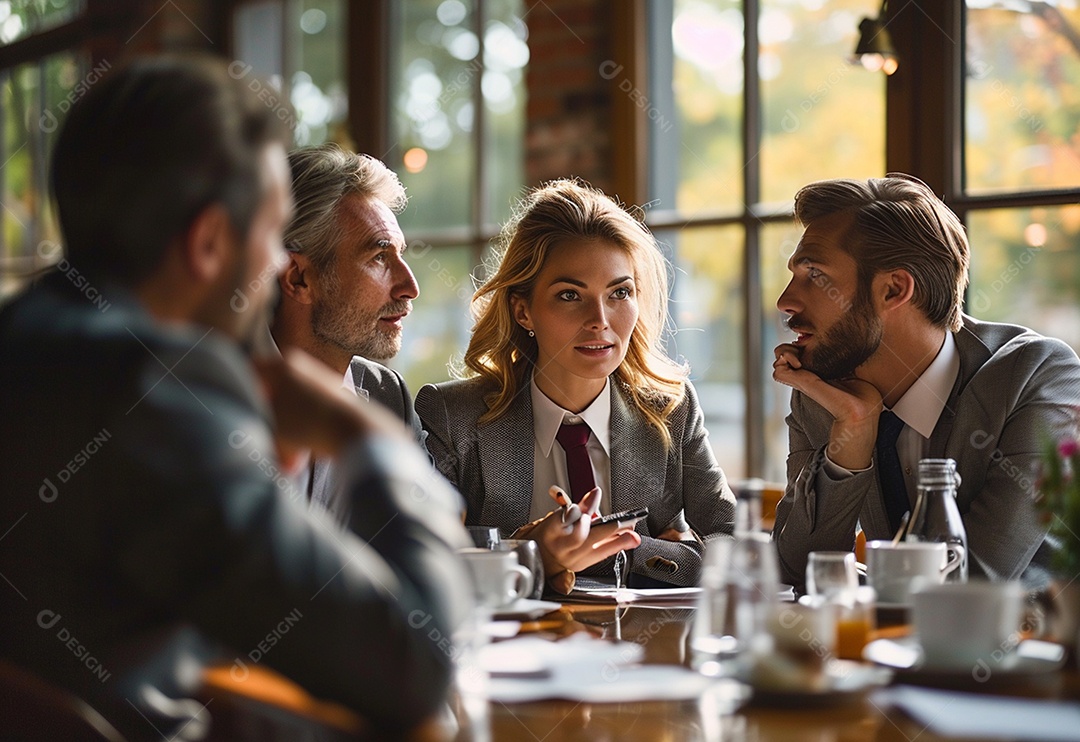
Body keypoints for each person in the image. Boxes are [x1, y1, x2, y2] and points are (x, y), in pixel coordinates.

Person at [0, 55, 470, 740]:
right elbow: (417, 664)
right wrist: (372, 442)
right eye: (271, 234)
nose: (280, 266)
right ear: (210, 241)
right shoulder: (156, 392)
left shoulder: (26, 339)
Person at [415, 179, 736, 593]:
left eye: (620, 292)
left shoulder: (672, 410)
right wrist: (534, 552)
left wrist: (624, 551)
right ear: (523, 311)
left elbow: (733, 551)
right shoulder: (451, 415)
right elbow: (425, 561)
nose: (600, 319)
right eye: (570, 295)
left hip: (645, 650)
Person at [771, 173, 1080, 591]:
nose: (786, 301)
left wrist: (855, 584)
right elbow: (797, 574)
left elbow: (973, 587)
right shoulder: (824, 396)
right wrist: (856, 429)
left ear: (894, 289)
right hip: (896, 654)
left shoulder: (1036, 377)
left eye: (814, 275)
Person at [270, 143, 426, 523]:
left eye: (402, 255)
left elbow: (431, 529)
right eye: (378, 258)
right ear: (299, 278)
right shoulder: (219, 395)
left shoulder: (389, 397)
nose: (410, 286)